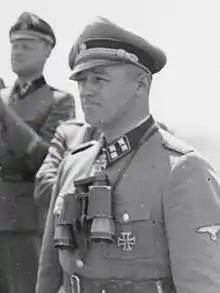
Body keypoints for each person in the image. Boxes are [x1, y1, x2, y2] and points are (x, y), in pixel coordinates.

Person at [36, 17, 220, 293]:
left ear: (141, 85)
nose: (86, 90)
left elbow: (200, 286)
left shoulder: (182, 170)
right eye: (82, 80)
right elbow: (49, 277)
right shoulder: (72, 165)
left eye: (99, 79)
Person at [0, 12, 74, 293]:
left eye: (27, 45)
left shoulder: (60, 101)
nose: (17, 51)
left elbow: (44, 159)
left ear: (47, 51)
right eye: (14, 45)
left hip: (25, 223)